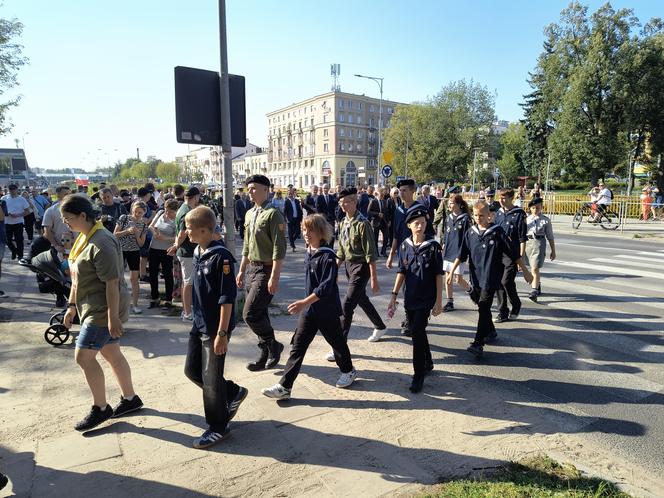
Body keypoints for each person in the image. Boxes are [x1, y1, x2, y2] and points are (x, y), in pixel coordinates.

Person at [61, 194, 143, 431]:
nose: (66, 223)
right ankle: (130, 399)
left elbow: (112, 283)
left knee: (83, 357)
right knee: (112, 353)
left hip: (102, 310)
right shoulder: (84, 238)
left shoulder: (102, 241)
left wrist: (113, 318)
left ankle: (101, 408)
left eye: (68, 218)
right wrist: (71, 306)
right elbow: (76, 279)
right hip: (90, 307)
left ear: (83, 216)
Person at [262, 214, 357, 400]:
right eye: (304, 230)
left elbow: (326, 286)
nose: (306, 234)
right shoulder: (309, 251)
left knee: (337, 343)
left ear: (321, 232)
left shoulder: (327, 256)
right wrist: (306, 305)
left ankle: (349, 370)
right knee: (298, 347)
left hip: (326, 310)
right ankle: (284, 387)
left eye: (310, 230)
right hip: (310, 311)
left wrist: (304, 302)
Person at [183, 206, 247, 449]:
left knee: (211, 381)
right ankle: (232, 392)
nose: (186, 233)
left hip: (214, 329)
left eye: (190, 229)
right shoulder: (200, 251)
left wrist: (222, 333)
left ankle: (218, 427)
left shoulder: (221, 257)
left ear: (204, 230)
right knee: (192, 371)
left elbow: (226, 298)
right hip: (198, 324)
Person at [447, 201, 532, 357]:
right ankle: (491, 330)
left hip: (491, 277)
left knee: (484, 307)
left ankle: (478, 342)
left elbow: (513, 253)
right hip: (476, 278)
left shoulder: (497, 232)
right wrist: (452, 271)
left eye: (481, 215)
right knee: (481, 307)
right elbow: (462, 254)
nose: (478, 218)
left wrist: (525, 270)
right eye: (476, 215)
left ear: (489, 216)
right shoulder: (470, 233)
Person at [387, 207, 443, 392]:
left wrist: (439, 302)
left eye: (423, 223)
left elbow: (438, 275)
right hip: (410, 296)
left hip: (426, 297)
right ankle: (427, 361)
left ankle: (418, 375)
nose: (420, 226)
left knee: (417, 331)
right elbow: (401, 271)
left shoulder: (433, 246)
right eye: (416, 223)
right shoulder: (405, 246)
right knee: (417, 331)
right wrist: (394, 295)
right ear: (409, 225)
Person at [236, 175, 287, 371]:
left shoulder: (274, 214)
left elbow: (278, 248)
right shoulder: (250, 214)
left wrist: (274, 276)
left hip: (266, 270)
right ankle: (265, 353)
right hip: (251, 269)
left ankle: (274, 346)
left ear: (266, 189)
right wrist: (241, 270)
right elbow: (247, 247)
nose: (250, 191)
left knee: (249, 314)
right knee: (260, 313)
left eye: (254, 188)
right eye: (249, 188)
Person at [335, 187, 387, 347]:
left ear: (354, 202)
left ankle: (339, 346)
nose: (343, 206)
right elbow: (342, 250)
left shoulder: (363, 224)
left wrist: (374, 280)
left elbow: (371, 254)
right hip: (349, 267)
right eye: (340, 203)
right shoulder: (344, 222)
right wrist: (334, 270)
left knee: (347, 305)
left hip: (361, 267)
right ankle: (380, 326)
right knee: (362, 299)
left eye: (346, 203)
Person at [495, 188, 528, 323]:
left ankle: (516, 304)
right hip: (498, 253)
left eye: (504, 198)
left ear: (511, 198)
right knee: (499, 282)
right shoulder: (498, 213)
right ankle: (502, 312)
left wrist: (521, 258)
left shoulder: (519, 214)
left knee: (506, 281)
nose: (501, 200)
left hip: (512, 255)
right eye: (500, 198)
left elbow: (522, 238)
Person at [169, 186, 201, 321]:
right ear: (196, 197)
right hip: (187, 251)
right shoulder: (187, 211)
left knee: (186, 282)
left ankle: (186, 309)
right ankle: (187, 313)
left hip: (185, 251)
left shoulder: (182, 208)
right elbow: (182, 233)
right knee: (188, 282)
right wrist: (176, 245)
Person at [114, 201, 148, 314]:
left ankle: (135, 305)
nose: (137, 214)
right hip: (121, 250)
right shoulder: (124, 218)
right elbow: (115, 234)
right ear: (132, 210)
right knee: (118, 278)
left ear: (144, 212)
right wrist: (127, 231)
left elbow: (141, 243)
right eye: (135, 211)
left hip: (134, 251)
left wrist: (137, 235)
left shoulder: (143, 224)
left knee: (134, 278)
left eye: (140, 212)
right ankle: (117, 305)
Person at [441, 194, 472, 312]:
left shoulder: (465, 219)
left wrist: (468, 252)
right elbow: (446, 233)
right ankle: (450, 301)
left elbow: (468, 237)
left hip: (459, 252)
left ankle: (471, 290)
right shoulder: (448, 218)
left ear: (459, 205)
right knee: (447, 277)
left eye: (452, 203)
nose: (449, 205)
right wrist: (443, 244)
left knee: (458, 279)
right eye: (449, 203)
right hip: (448, 251)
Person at [148, 198, 179, 310]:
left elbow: (177, 238)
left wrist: (164, 238)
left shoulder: (177, 220)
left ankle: (168, 300)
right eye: (166, 210)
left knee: (167, 275)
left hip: (167, 250)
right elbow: (151, 226)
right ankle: (154, 297)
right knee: (152, 273)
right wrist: (154, 232)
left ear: (175, 211)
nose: (167, 213)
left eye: (170, 211)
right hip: (154, 247)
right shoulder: (160, 213)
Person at [524, 197, 556, 302]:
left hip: (539, 243)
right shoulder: (526, 220)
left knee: (535, 267)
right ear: (530, 209)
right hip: (528, 243)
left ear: (541, 207)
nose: (535, 210)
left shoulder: (545, 220)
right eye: (533, 208)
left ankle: (534, 291)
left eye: (538, 207)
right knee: (530, 267)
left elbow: (550, 236)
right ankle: (537, 284)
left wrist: (553, 251)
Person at [2, 184, 30, 260]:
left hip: (18, 222)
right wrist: (5, 214)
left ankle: (20, 256)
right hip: (7, 223)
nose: (12, 191)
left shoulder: (21, 199)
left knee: (19, 240)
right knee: (7, 240)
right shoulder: (4, 198)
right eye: (11, 189)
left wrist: (18, 215)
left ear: (17, 190)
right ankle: (14, 251)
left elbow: (28, 211)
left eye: (14, 189)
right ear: (8, 190)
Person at [284, 188, 304, 252]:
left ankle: (291, 241)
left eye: (291, 193)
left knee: (298, 232)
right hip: (290, 219)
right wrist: (286, 219)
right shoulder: (286, 202)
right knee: (290, 232)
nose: (290, 195)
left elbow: (300, 210)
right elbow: (285, 211)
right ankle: (292, 245)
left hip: (297, 219)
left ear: (293, 194)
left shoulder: (297, 201)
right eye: (289, 194)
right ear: (287, 194)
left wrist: (301, 218)